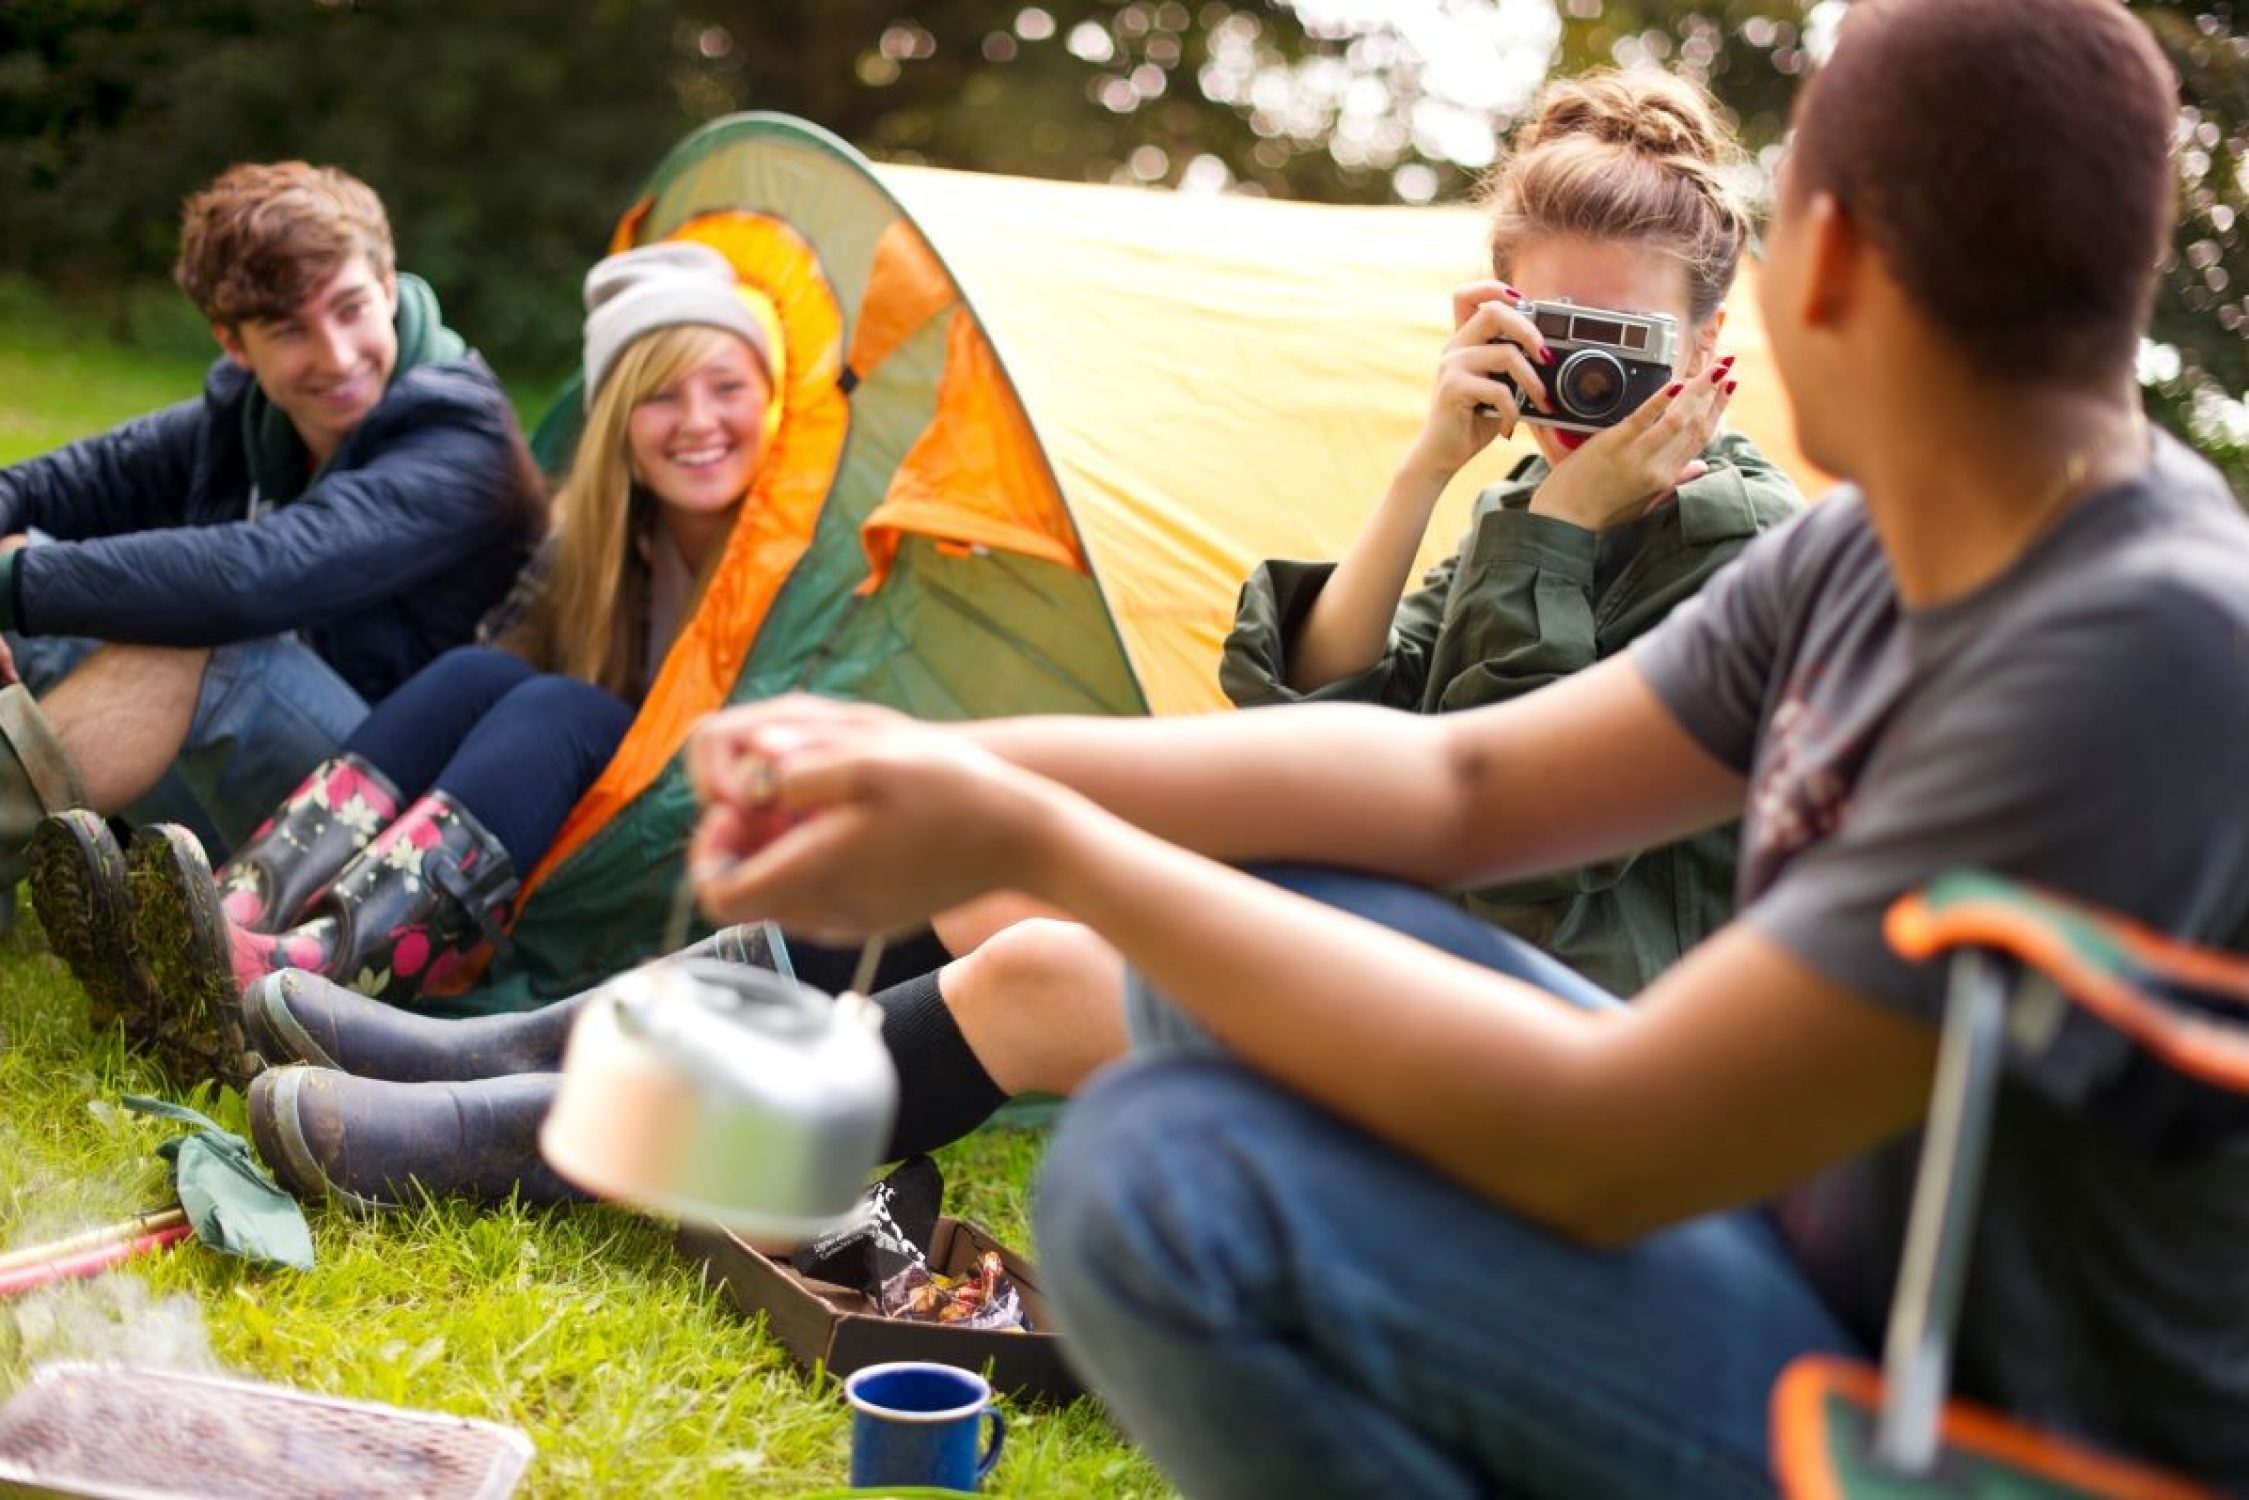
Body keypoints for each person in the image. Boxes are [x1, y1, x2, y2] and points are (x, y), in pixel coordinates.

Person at [676, 1, 2249, 1495]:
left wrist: (1047, 845)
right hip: (1831, 1274)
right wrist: (967, 766)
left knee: (1152, 1185)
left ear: (1815, 264)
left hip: (1983, 1441)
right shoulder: (1894, 552)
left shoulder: (2137, 652)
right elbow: (1453, 783)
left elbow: (1611, 1145)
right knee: (1224, 947)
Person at [206, 69, 1800, 1210]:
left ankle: (535, 1151)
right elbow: (1332, 730)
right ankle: (494, 1068)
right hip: (1420, 941)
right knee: (977, 869)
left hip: (1568, 1027)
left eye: (1624, 345)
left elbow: (1513, 869)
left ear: (1712, 346)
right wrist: (1426, 474)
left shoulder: (1738, 553)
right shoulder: (1539, 496)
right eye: (1549, 335)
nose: (1584, 382)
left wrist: (1555, 530)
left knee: (1039, 963)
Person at [33, 241, 784, 1089]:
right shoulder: (598, 542)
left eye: (726, 387)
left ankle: (316, 973)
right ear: (617, 417)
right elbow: (492, 678)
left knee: (569, 710)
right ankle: (234, 915)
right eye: (659, 394)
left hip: (659, 864)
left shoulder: (795, 566)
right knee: (482, 676)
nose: (696, 420)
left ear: (770, 397)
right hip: (542, 833)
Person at [0, 162, 538, 929]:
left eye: (352, 308)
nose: (337, 355)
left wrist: (13, 578)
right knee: (32, 565)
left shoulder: (462, 435)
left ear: (388, 286)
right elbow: (48, 482)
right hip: (275, 804)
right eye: (291, 329)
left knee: (203, 641)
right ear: (235, 341)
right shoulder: (245, 419)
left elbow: (256, 577)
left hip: (400, 836)